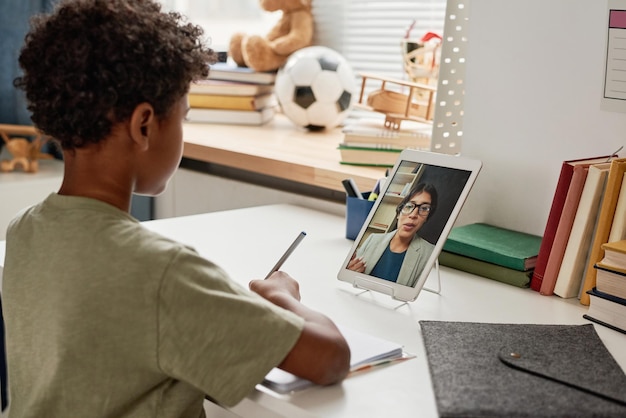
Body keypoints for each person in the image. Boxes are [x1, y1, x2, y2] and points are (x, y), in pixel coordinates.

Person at [2, 1, 350, 417]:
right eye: (183, 116)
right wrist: (282, 296)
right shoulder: (161, 274)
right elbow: (330, 357)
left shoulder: (24, 232)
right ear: (144, 125)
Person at [347, 182, 438, 287]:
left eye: (424, 208)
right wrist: (351, 274)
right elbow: (353, 279)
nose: (413, 215)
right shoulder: (372, 239)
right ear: (399, 213)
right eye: (409, 206)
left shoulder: (430, 252)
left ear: (426, 218)